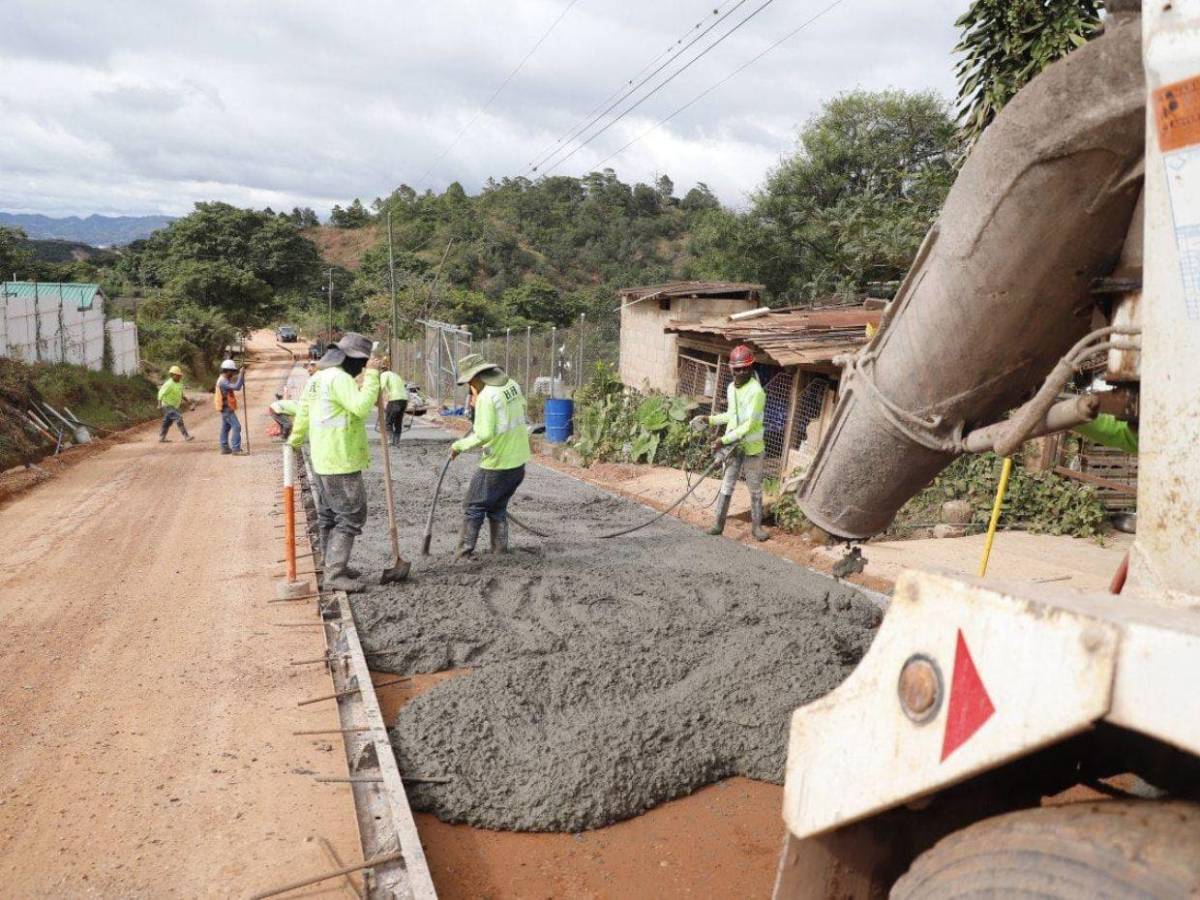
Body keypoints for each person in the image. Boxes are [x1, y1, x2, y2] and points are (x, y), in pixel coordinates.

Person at [288, 332, 382, 592]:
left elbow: (303, 413)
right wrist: (373, 376)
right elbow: (362, 407)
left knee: (329, 514)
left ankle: (331, 564)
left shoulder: (317, 379)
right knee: (352, 515)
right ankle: (335, 574)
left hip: (321, 458)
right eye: (362, 364)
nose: (362, 368)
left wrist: (294, 441)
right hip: (341, 459)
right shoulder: (339, 379)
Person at [450, 353, 530, 557]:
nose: (470, 387)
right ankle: (499, 550)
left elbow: (484, 433)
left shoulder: (487, 397)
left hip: (497, 463)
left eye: (469, 383)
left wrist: (459, 446)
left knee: (473, 505)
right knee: (497, 506)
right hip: (518, 462)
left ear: (476, 377)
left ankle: (464, 553)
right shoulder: (511, 384)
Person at [703, 344, 769, 541]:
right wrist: (710, 419)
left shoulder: (756, 392)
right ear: (731, 368)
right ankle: (718, 524)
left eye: (744, 368)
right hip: (734, 447)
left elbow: (748, 425)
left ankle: (757, 528)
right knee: (727, 484)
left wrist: (722, 440)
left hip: (752, 449)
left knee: (755, 488)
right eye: (737, 368)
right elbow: (732, 415)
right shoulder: (731, 388)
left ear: (751, 368)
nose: (740, 372)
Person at [214, 359, 246, 455]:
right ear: (227, 371)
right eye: (232, 371)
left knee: (225, 427)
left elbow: (236, 384)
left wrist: (241, 376)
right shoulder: (223, 381)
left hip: (226, 408)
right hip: (226, 409)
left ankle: (224, 448)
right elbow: (237, 387)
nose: (232, 373)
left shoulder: (223, 379)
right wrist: (241, 375)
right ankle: (236, 449)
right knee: (237, 427)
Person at [157, 365, 195, 443]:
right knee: (178, 418)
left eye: (180, 375)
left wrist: (189, 403)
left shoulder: (180, 383)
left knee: (167, 422)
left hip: (174, 406)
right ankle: (186, 436)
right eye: (177, 375)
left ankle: (162, 437)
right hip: (167, 405)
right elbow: (160, 393)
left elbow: (181, 394)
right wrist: (159, 404)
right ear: (172, 375)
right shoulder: (168, 384)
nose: (179, 377)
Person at [379, 369, 409, 447]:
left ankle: (390, 441)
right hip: (404, 400)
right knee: (398, 422)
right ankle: (397, 442)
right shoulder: (396, 376)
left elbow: (380, 388)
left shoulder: (384, 374)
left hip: (395, 399)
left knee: (388, 422)